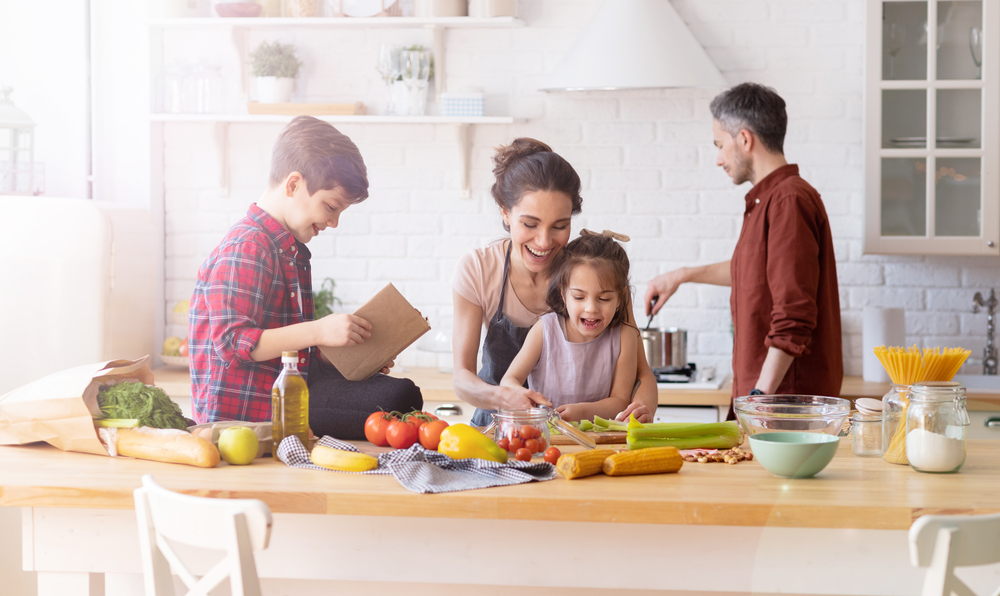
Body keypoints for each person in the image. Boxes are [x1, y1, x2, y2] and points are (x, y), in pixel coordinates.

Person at [189, 115, 421, 438]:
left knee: (399, 395)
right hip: (247, 417)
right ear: (294, 184)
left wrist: (331, 356)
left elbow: (284, 350)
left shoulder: (288, 249)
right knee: (399, 398)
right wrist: (318, 331)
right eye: (330, 207)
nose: (334, 222)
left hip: (288, 394)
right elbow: (232, 341)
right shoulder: (247, 246)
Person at [644, 83, 842, 416]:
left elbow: (793, 317)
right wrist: (682, 276)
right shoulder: (772, 199)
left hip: (782, 404)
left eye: (720, 144)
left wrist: (758, 397)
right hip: (769, 401)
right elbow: (753, 270)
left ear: (745, 140)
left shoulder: (788, 201)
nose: (718, 158)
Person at [452, 138, 657, 426]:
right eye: (530, 224)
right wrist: (504, 397)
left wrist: (641, 408)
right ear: (505, 212)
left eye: (560, 226)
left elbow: (642, 373)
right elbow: (462, 378)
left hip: (577, 435)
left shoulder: (591, 274)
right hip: (497, 429)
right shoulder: (478, 269)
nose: (544, 242)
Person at [500, 230, 640, 422]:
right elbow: (509, 380)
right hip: (546, 440)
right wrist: (523, 398)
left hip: (599, 443)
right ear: (564, 295)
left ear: (620, 298)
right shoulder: (544, 330)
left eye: (604, 298)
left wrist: (582, 412)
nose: (591, 308)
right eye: (579, 297)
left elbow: (620, 401)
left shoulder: (624, 337)